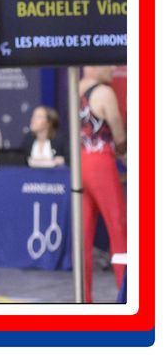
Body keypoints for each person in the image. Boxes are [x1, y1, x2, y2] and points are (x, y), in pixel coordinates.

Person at [79, 65, 127, 302]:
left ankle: (83, 298)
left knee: (83, 235)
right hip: (100, 162)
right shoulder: (104, 92)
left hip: (80, 163)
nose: (112, 68)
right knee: (118, 230)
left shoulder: (76, 90)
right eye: (107, 64)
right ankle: (126, 293)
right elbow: (119, 136)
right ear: (92, 66)